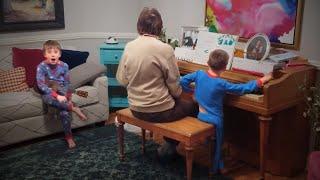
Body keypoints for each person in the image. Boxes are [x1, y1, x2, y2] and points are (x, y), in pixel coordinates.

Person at [116, 7, 198, 160]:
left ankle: (171, 142)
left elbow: (122, 79)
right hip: (159, 112)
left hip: (135, 108)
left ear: (139, 26)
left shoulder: (129, 47)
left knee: (179, 101)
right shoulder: (165, 49)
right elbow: (175, 88)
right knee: (193, 105)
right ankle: (170, 145)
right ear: (159, 27)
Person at [180, 49, 272, 174]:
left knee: (218, 138)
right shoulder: (221, 83)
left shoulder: (199, 74)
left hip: (201, 115)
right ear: (224, 67)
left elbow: (182, 81)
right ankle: (216, 167)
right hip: (215, 120)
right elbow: (242, 88)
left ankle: (219, 161)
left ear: (208, 62)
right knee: (220, 142)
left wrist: (192, 93)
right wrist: (261, 80)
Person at [36, 40, 87, 149]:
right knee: (49, 99)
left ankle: (69, 137)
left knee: (64, 113)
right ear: (45, 55)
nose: (53, 54)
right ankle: (73, 108)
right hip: (48, 91)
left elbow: (67, 83)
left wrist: (68, 96)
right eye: (49, 52)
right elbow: (41, 86)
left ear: (59, 54)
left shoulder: (64, 66)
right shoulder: (41, 67)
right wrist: (57, 96)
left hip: (61, 89)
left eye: (55, 52)